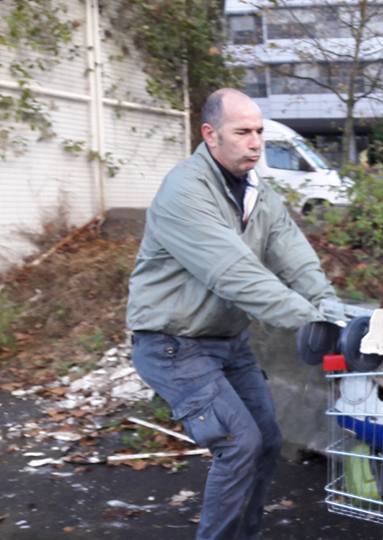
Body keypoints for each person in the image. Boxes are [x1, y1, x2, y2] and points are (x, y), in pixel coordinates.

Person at [126, 88, 337, 540]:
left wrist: (331, 311)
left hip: (228, 341)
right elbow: (233, 272)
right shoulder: (185, 190)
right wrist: (308, 321)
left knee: (267, 443)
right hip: (173, 344)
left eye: (260, 131)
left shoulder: (257, 193)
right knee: (240, 443)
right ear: (210, 134)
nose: (256, 142)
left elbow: (295, 258)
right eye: (242, 132)